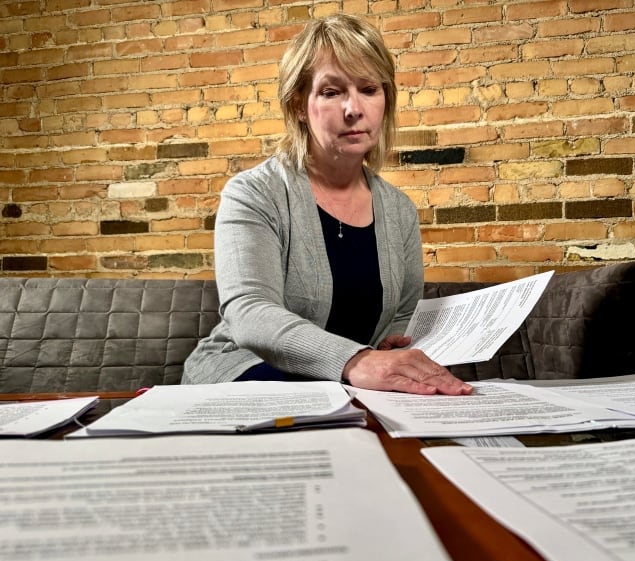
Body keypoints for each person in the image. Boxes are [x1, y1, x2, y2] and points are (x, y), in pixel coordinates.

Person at [182, 14, 472, 396]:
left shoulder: (399, 210)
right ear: (300, 105)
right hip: (246, 372)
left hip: (350, 386)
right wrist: (358, 361)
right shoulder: (253, 194)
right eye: (332, 92)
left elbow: (403, 312)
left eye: (369, 89)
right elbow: (249, 313)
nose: (354, 108)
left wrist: (391, 345)